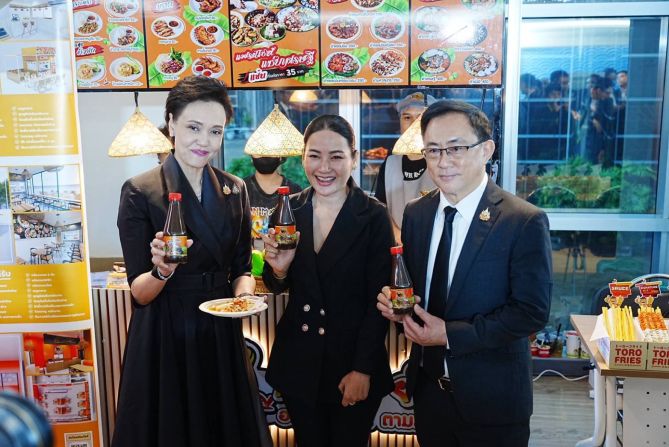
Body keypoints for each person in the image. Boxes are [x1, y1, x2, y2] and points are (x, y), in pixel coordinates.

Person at [376, 100, 552, 447]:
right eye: (433, 150)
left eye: (456, 148)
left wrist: (449, 335)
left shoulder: (522, 220)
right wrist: (399, 308)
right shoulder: (416, 214)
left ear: (486, 150)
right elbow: (417, 292)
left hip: (492, 401)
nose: (443, 161)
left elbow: (531, 312)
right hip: (429, 395)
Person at [113, 76, 272, 447]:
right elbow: (140, 293)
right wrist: (162, 271)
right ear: (171, 124)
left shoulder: (235, 189)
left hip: (219, 329)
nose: (205, 141)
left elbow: (242, 268)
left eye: (215, 131)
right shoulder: (140, 191)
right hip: (165, 331)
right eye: (193, 128)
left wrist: (243, 298)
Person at [261, 115, 394, 447]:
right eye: (314, 156)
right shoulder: (288, 210)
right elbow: (276, 283)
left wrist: (362, 369)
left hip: (351, 362)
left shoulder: (373, 215)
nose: (324, 167)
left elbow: (379, 301)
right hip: (299, 362)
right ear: (303, 157)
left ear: (354, 158)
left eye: (336, 156)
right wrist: (279, 270)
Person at [374, 92, 437, 242]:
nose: (414, 124)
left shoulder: (443, 161)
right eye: (407, 117)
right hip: (396, 245)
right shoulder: (390, 163)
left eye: (421, 117)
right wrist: (398, 236)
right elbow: (380, 207)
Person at [243, 156, 302, 249]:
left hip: (284, 253)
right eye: (260, 151)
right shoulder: (241, 189)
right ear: (251, 155)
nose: (264, 156)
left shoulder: (295, 191)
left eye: (269, 152)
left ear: (281, 156)